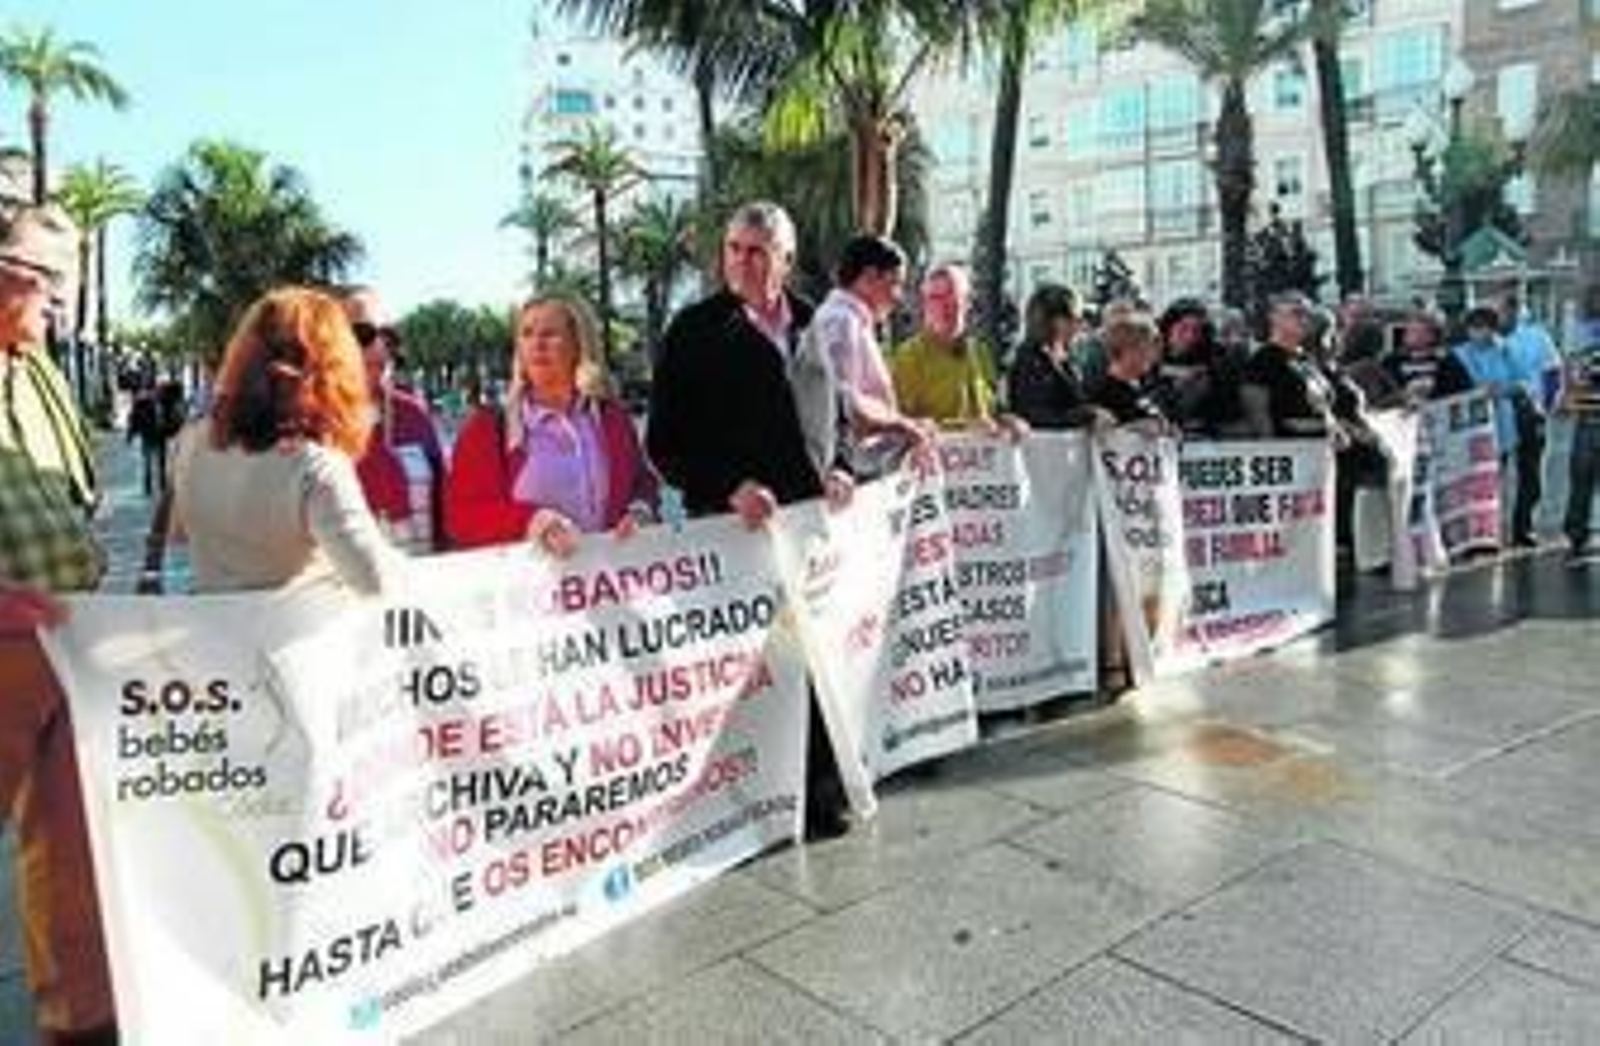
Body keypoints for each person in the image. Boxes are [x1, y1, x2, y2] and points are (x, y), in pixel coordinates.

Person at [647, 200, 853, 839]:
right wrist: (727, 487)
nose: (741, 261)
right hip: (735, 535)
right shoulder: (693, 330)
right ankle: (744, 802)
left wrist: (840, 465)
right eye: (734, 248)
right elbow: (664, 444)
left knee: (814, 660)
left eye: (757, 251)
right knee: (751, 674)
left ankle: (820, 791)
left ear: (785, 259)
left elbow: (832, 413)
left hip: (809, 528)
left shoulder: (814, 323)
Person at [0, 204, 119, 1044]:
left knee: (69, 843)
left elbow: (71, 484)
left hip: (63, 632)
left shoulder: (37, 366)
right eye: (45, 279)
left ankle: (78, 1019)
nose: (57, 300)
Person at [170, 287, 400, 595]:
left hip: (212, 635)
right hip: (294, 638)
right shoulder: (315, 466)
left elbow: (179, 537)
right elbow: (378, 582)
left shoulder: (191, 442)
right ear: (333, 367)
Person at [445, 294, 656, 555]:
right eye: (527, 334)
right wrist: (534, 522)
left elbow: (641, 482)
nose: (537, 344)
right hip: (527, 590)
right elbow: (462, 515)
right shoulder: (488, 427)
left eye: (550, 334)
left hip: (607, 585)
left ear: (579, 343)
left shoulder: (612, 419)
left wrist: (640, 512)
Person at [341, 286, 447, 555]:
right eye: (363, 335)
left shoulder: (414, 414)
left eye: (387, 337)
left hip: (419, 584)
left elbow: (444, 505)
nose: (378, 346)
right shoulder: (312, 423)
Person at [813, 234, 926, 477]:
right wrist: (904, 426)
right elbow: (844, 407)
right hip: (848, 478)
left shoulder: (850, 321)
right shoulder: (840, 322)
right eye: (895, 283)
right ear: (869, 276)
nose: (898, 297)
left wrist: (906, 426)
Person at [1435, 304, 1543, 547]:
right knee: (1484, 481)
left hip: (1513, 419)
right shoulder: (1458, 356)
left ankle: (1522, 528)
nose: (1478, 334)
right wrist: (1476, 393)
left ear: (1493, 329)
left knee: (1527, 479)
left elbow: (1529, 381)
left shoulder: (1509, 350)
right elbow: (1447, 391)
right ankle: (1483, 532)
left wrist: (1506, 389)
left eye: (1483, 329)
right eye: (1474, 329)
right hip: (1476, 426)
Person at [890, 263, 1003, 428]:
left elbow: (993, 412)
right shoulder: (909, 357)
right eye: (934, 298)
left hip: (984, 453)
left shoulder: (980, 352)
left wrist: (1007, 421)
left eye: (952, 295)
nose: (943, 306)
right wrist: (967, 427)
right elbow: (902, 426)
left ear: (967, 301)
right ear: (924, 305)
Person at [1238, 292, 1339, 439]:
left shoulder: (1305, 358)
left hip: (1322, 450)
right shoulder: (1262, 361)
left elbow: (1322, 406)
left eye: (1308, 315)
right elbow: (1258, 415)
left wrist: (1336, 430)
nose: (1304, 320)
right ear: (1274, 317)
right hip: (1292, 451)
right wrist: (1273, 450)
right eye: (1297, 313)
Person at [1007, 283, 1101, 430]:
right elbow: (1034, 415)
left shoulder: (1065, 357)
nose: (1080, 326)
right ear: (1057, 321)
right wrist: (1087, 415)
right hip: (1042, 449)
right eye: (1076, 318)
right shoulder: (1031, 360)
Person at [1150, 296, 1246, 436]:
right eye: (1183, 329)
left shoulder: (1212, 355)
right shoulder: (1147, 351)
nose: (1190, 336)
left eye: (1196, 330)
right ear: (1167, 328)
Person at [1561, 285, 1600, 563]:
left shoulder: (1580, 332)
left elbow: (1570, 372)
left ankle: (1577, 535)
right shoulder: (1582, 333)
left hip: (1586, 415)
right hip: (1587, 413)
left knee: (1581, 479)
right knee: (1581, 478)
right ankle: (1577, 534)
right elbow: (1571, 372)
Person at [1086, 308, 1167, 429]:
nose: (1153, 355)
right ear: (1129, 350)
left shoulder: (1141, 384)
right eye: (1147, 348)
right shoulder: (1102, 392)